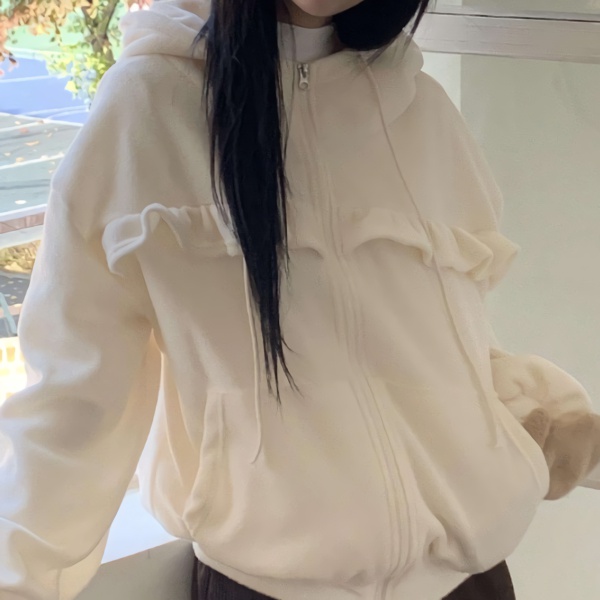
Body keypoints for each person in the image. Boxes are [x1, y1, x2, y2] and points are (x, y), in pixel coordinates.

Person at [1, 0, 599, 598]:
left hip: (473, 584)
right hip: (269, 588)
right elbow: (73, 405)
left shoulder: (423, 109)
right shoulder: (147, 108)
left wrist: (547, 420)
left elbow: (450, 347)